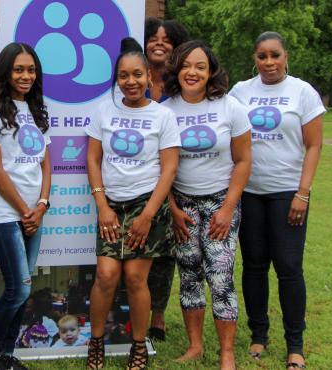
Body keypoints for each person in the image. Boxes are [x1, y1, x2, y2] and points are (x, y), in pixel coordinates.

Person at [229, 31, 325, 370]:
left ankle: (294, 344)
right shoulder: (240, 92)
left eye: (275, 55)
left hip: (288, 193)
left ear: (286, 56)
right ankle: (259, 335)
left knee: (288, 267)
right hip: (250, 192)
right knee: (254, 265)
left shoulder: (302, 92)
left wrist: (303, 192)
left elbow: (313, 145)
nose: (268, 62)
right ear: (254, 58)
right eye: (262, 56)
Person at [85, 41, 181, 370]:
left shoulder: (163, 116)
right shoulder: (104, 111)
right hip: (112, 204)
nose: (131, 82)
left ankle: (138, 347)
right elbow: (93, 159)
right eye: (123, 76)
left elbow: (169, 168)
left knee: (136, 280)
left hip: (147, 205)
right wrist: (102, 205)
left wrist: (148, 215)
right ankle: (95, 342)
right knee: (106, 274)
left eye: (137, 74)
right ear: (117, 79)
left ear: (149, 76)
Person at [161, 40, 252, 369]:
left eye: (200, 66)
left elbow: (243, 162)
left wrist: (227, 209)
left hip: (220, 203)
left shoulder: (231, 108)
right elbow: (161, 169)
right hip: (182, 205)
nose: (192, 72)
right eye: (186, 65)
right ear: (177, 69)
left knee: (221, 277)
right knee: (188, 275)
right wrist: (172, 210)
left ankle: (227, 352)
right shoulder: (166, 110)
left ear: (211, 71)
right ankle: (195, 345)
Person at [0, 42, 51, 370]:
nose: (25, 75)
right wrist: (25, 210)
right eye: (19, 69)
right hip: (5, 212)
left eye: (31, 69)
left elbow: (46, 164)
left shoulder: (37, 110)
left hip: (34, 211)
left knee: (24, 286)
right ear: (5, 71)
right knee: (18, 287)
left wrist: (42, 205)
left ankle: (7, 355)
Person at [144, 16, 190, 342]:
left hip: (177, 180)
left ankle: (157, 316)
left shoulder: (183, 87)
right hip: (138, 180)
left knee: (165, 255)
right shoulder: (130, 80)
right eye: (153, 38)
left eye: (167, 39)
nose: (160, 43)